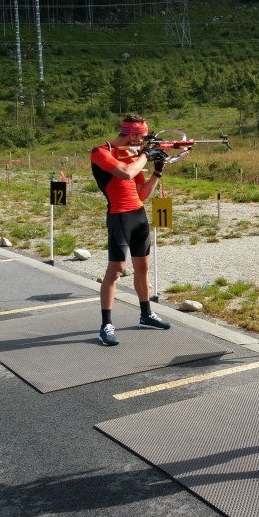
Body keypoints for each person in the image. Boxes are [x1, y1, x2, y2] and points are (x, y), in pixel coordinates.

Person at [90, 113, 171, 346]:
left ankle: (146, 314)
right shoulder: (100, 152)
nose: (143, 141)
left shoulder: (132, 156)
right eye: (142, 136)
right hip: (118, 217)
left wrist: (157, 170)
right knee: (115, 271)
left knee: (142, 269)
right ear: (132, 133)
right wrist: (146, 155)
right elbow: (125, 173)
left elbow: (142, 195)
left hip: (138, 216)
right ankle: (106, 324)